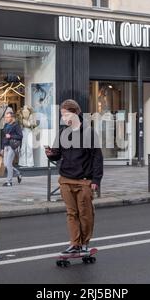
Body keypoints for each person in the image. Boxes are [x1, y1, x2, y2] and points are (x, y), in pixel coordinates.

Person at [45, 99, 103, 255]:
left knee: (85, 214)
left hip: (84, 181)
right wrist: (50, 154)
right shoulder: (63, 133)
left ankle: (85, 243)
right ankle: (75, 243)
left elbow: (97, 158)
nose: (64, 118)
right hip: (66, 179)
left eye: (66, 114)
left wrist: (96, 180)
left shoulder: (89, 133)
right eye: (62, 115)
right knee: (71, 213)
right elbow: (57, 155)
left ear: (76, 113)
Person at [1, 111, 23, 187]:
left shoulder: (16, 125)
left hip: (12, 146)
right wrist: (2, 148)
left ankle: (9, 181)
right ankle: (18, 173)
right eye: (5, 117)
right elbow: (4, 136)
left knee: (9, 164)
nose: (6, 119)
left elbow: (20, 136)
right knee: (5, 164)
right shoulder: (6, 125)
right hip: (6, 146)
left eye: (7, 117)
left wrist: (11, 136)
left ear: (12, 117)